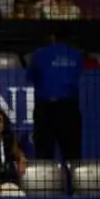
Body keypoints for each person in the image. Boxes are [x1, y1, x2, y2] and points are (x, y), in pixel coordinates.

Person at [27, 30, 84, 162]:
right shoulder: (77, 55)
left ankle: (45, 173)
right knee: (73, 154)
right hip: (70, 107)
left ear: (52, 37)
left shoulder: (40, 54)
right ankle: (73, 174)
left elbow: (31, 77)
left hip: (46, 107)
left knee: (44, 154)